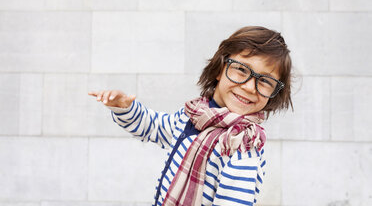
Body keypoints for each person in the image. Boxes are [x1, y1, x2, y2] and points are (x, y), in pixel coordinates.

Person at [88, 26, 292, 206]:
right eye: (241, 70)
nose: (249, 86)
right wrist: (124, 108)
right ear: (220, 69)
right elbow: (155, 128)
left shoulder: (241, 145)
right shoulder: (195, 115)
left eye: (265, 81)